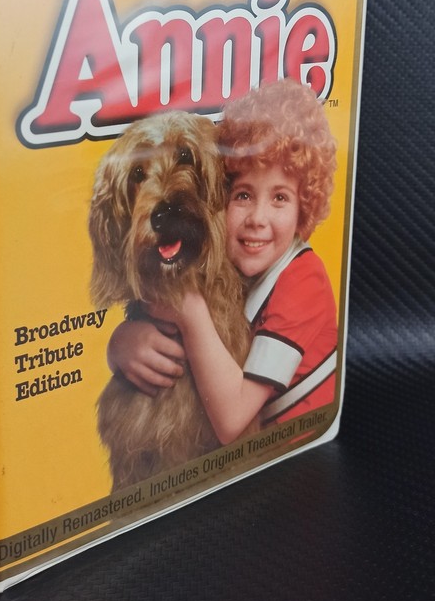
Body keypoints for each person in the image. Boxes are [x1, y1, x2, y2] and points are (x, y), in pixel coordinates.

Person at [107, 79, 338, 444]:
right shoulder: (235, 267)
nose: (257, 218)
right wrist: (120, 343)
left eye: (280, 198)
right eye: (243, 195)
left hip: (293, 452)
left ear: (304, 208)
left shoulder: (303, 283)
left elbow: (232, 422)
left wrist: (191, 314)